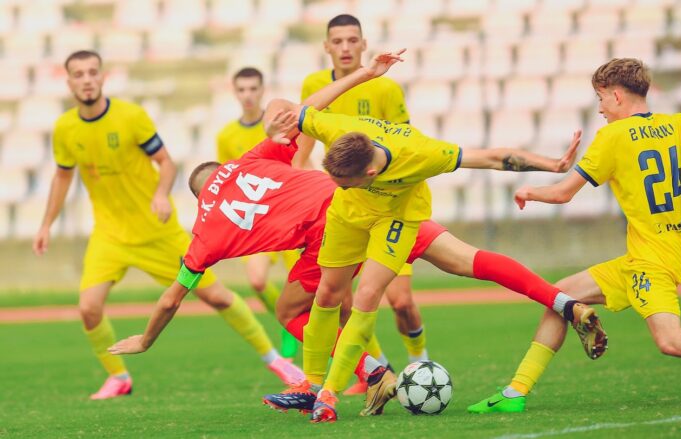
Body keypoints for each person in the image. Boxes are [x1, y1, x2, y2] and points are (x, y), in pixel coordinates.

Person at [109, 52, 605, 419]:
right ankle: (563, 303)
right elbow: (303, 112)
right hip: (372, 207)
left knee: (311, 307)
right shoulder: (253, 159)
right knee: (460, 259)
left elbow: (174, 297)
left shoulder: (205, 231)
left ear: (199, 197)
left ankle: (348, 380)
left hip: (339, 220)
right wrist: (366, 72)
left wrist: (146, 340)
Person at [261, 54, 607, 424]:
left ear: (373, 171)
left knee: (368, 296)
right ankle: (314, 385)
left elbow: (492, 157)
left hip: (397, 221)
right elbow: (286, 108)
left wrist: (552, 166)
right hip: (348, 218)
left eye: (344, 181)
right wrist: (274, 125)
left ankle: (329, 393)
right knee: (329, 294)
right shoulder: (341, 129)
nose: (336, 185)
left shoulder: (421, 153)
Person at [468, 58, 681, 414]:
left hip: (652, 260)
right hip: (657, 251)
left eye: (600, 98)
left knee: (672, 340)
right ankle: (515, 394)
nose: (599, 108)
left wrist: (528, 191)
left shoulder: (612, 137)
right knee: (560, 299)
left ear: (616, 95)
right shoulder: (677, 124)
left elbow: (563, 194)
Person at [32, 50, 303, 400]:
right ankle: (118, 378)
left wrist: (161, 194)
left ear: (102, 77)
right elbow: (62, 176)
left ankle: (277, 361)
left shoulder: (131, 117)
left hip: (158, 232)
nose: (86, 79)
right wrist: (45, 224)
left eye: (92, 72)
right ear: (68, 82)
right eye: (79, 74)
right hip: (110, 235)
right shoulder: (65, 128)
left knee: (218, 297)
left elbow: (167, 163)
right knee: (88, 308)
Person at [297, 14, 425, 388]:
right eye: (337, 41)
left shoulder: (385, 90)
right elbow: (302, 148)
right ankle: (380, 371)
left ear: (364, 44)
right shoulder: (314, 85)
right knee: (344, 301)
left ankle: (421, 366)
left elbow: (407, 144)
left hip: (390, 207)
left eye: (352, 40)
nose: (345, 48)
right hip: (346, 209)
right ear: (326, 47)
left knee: (400, 301)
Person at [217, 66, 300, 358]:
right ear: (235, 92)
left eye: (253, 88)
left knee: (306, 287)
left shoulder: (280, 122)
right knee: (256, 280)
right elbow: (228, 180)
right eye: (242, 89)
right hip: (257, 220)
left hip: (290, 216)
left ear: (263, 90)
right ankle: (287, 323)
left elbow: (302, 161)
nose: (248, 95)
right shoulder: (227, 135)